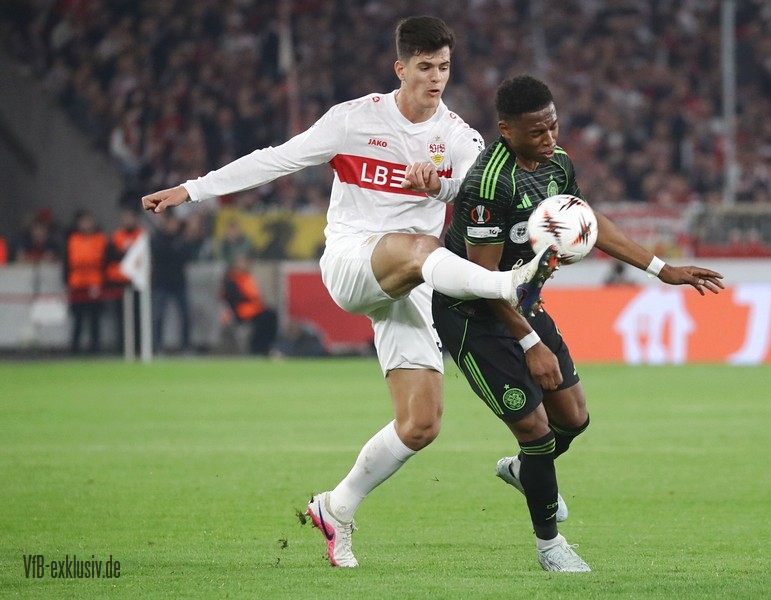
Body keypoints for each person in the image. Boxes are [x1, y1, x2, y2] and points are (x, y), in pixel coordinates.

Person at [140, 16, 558, 568]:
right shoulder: (354, 120)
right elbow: (277, 158)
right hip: (354, 261)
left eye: (444, 67)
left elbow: (479, 185)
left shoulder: (459, 136)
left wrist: (443, 185)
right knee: (420, 245)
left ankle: (336, 507)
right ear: (400, 68)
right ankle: (506, 284)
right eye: (425, 67)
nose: (436, 78)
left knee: (421, 424)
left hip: (413, 281)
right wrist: (192, 189)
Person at [432, 75, 725, 572]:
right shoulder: (489, 184)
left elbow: (588, 219)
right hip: (471, 314)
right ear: (506, 130)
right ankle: (551, 547)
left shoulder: (557, 162)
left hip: (523, 301)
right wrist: (531, 344)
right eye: (536, 132)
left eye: (553, 126)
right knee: (535, 429)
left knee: (573, 419)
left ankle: (526, 472)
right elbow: (484, 281)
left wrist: (662, 269)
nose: (549, 138)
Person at [64, 210, 108, 354]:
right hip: (77, 283)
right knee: (78, 319)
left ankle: (95, 348)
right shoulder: (73, 239)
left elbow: (104, 260)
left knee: (95, 319)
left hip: (95, 282)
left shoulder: (100, 239)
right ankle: (75, 348)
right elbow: (68, 262)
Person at [150, 212, 194, 354]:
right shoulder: (157, 239)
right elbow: (161, 254)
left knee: (185, 315)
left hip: (178, 282)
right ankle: (158, 346)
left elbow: (187, 255)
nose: (174, 226)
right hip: (161, 282)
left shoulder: (181, 239)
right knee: (158, 316)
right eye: (172, 222)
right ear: (166, 223)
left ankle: (186, 346)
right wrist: (175, 250)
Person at [222, 254, 279, 356]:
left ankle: (267, 346)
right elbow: (235, 298)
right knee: (266, 318)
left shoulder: (246, 278)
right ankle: (259, 347)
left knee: (271, 315)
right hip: (243, 311)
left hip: (253, 309)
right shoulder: (231, 279)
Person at [106, 206, 144, 353]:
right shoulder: (116, 237)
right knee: (121, 318)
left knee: (138, 318)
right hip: (119, 283)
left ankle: (139, 348)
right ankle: (122, 348)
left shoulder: (141, 236)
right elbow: (110, 258)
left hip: (137, 283)